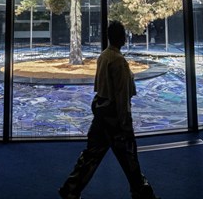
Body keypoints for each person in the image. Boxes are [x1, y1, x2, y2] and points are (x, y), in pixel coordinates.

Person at [59, 21, 159, 199]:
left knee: (91, 155)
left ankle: (70, 189)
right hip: (115, 117)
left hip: (101, 112)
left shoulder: (103, 56)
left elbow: (100, 86)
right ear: (121, 38)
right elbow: (121, 94)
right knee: (129, 158)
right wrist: (125, 121)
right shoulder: (118, 61)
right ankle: (142, 193)